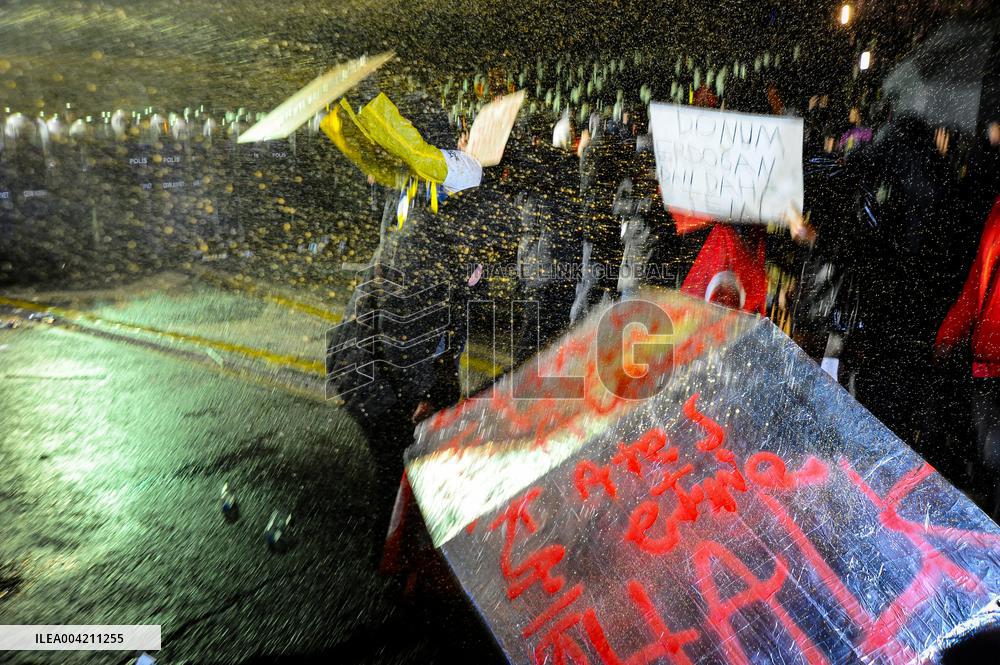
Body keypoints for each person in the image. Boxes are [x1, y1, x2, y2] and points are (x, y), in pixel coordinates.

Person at [936, 196, 1000, 517]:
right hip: (986, 362)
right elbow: (978, 279)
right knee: (989, 458)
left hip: (992, 357)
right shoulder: (997, 211)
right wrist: (951, 331)